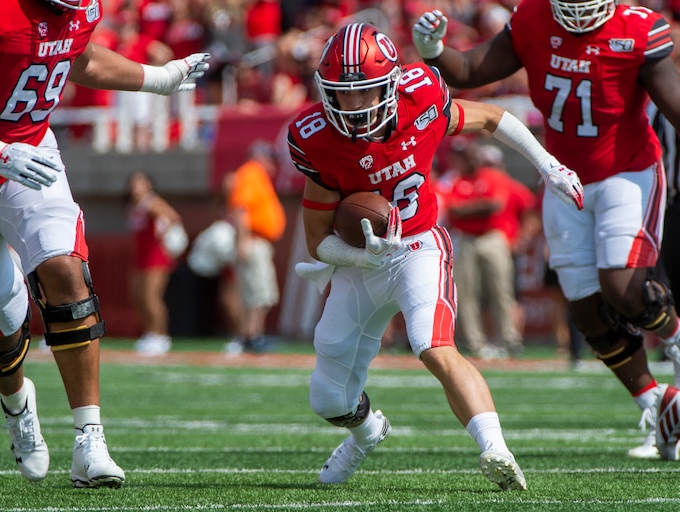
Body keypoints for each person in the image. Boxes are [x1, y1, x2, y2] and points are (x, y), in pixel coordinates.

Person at [289, 21, 584, 490]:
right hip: (362, 262)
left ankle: (495, 449)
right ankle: (367, 433)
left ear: (390, 84)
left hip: (418, 246)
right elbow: (317, 240)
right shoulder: (317, 138)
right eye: (342, 95)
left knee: (432, 345)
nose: (353, 106)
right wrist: (362, 258)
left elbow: (491, 117)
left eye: (364, 92)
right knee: (328, 399)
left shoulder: (420, 98)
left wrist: (548, 165)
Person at [412, 1, 680, 460]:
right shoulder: (533, 18)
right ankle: (656, 407)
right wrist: (433, 49)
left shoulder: (637, 29)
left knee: (622, 287)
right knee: (586, 309)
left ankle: (675, 342)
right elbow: (470, 69)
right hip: (562, 176)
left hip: (628, 172)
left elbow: (674, 104)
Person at [0, 0, 208, 487]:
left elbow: (78, 58)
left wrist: (158, 78)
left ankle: (90, 440)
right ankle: (18, 403)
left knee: (66, 271)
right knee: (0, 317)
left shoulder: (81, 9)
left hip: (32, 152)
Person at [441, 138, 533, 359]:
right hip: (466, 239)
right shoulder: (456, 180)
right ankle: (476, 342)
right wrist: (479, 207)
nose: (469, 160)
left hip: (492, 237)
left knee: (501, 291)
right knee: (467, 293)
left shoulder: (492, 176)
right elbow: (453, 209)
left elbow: (495, 205)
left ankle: (509, 339)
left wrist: (467, 209)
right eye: (464, 157)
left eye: (471, 155)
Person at [223, 140, 286, 353]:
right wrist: (243, 240)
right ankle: (250, 336)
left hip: (257, 240)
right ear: (260, 157)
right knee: (256, 291)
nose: (273, 166)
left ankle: (252, 335)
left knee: (259, 290)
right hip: (253, 240)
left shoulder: (256, 176)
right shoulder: (251, 173)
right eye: (270, 160)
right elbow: (241, 208)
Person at [125, 171, 186, 356]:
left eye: (140, 182)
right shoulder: (132, 204)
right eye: (133, 183)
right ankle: (150, 332)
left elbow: (173, 217)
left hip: (155, 256)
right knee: (137, 296)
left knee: (152, 297)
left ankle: (161, 335)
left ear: (148, 185)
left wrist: (165, 232)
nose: (136, 187)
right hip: (141, 257)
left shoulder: (151, 202)